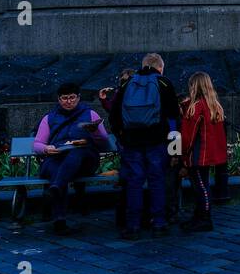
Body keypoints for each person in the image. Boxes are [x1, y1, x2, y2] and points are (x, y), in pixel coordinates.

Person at [108, 52, 180, 239]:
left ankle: (133, 225)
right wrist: (175, 151)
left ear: (143, 65)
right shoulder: (164, 83)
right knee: (157, 181)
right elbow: (174, 119)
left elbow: (114, 115)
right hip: (157, 141)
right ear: (160, 68)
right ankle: (159, 223)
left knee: (134, 183)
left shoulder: (127, 84)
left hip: (132, 143)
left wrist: (123, 137)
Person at [33, 83, 109, 235]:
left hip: (84, 160)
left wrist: (94, 133)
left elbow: (104, 141)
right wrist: (46, 149)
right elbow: (37, 144)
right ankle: (59, 220)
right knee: (55, 168)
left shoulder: (91, 115)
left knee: (76, 152)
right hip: (58, 157)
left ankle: (56, 188)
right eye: (65, 98)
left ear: (78, 98)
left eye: (72, 98)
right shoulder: (49, 118)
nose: (69, 101)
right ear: (59, 99)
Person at [180, 72, 227, 232]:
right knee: (203, 184)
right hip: (209, 154)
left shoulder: (196, 107)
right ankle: (199, 216)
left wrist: (183, 156)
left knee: (200, 186)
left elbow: (187, 137)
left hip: (198, 155)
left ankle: (204, 218)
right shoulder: (215, 106)